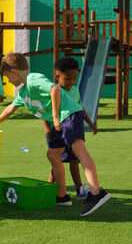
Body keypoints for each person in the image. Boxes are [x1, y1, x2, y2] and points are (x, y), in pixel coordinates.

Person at [0, 52, 110, 216]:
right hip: (61, 121)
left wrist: (54, 116)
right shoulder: (24, 92)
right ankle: (62, 196)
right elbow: (11, 108)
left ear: (14, 71)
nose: (9, 81)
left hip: (69, 114)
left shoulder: (33, 79)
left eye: (8, 77)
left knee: (80, 152)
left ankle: (96, 192)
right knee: (53, 154)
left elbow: (54, 89)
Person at [45, 57, 98, 200]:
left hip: (73, 129)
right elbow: (45, 113)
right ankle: (49, 188)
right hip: (57, 132)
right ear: (57, 76)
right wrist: (48, 130)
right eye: (68, 79)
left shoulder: (74, 90)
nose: (71, 82)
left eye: (74, 78)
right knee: (56, 161)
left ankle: (79, 189)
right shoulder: (53, 91)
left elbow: (80, 108)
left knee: (75, 160)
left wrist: (91, 124)